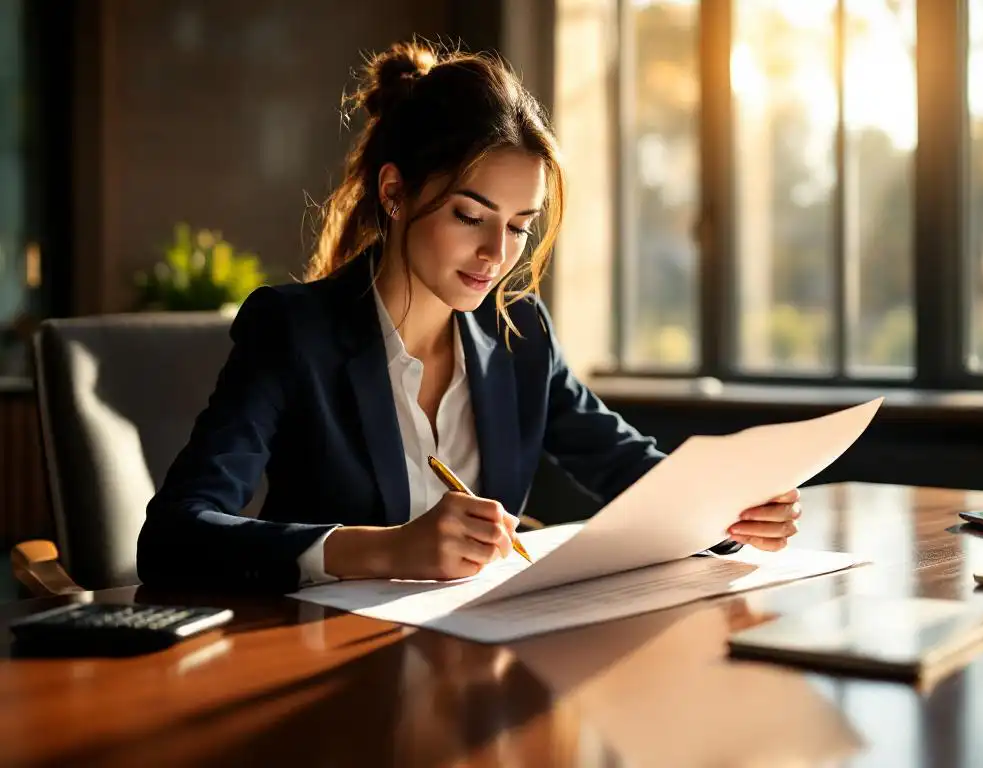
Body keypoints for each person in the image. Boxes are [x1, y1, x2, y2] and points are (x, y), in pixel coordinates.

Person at [136, 41, 801, 593]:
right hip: (325, 667)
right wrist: (385, 550)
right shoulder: (294, 330)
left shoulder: (521, 335)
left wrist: (728, 512)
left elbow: (630, 469)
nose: (497, 255)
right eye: (469, 216)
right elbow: (175, 536)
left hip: (480, 664)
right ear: (395, 192)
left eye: (519, 226)